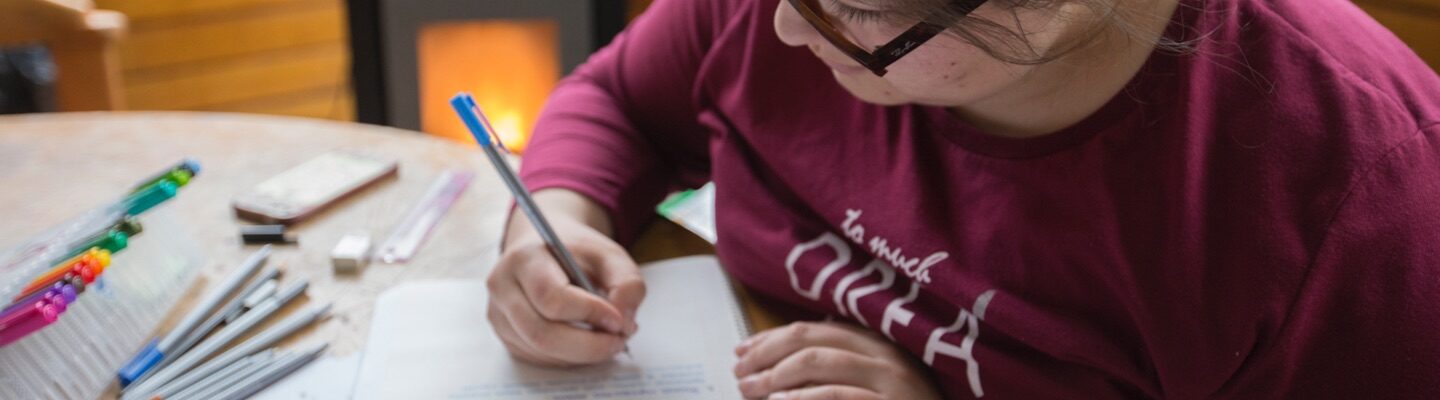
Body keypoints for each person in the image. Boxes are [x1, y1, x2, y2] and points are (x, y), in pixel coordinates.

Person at [485, 0, 1440, 397]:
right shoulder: (786, 13)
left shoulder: (1356, 202)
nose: (778, 25)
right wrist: (558, 219)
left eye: (853, 5)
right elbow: (618, 99)